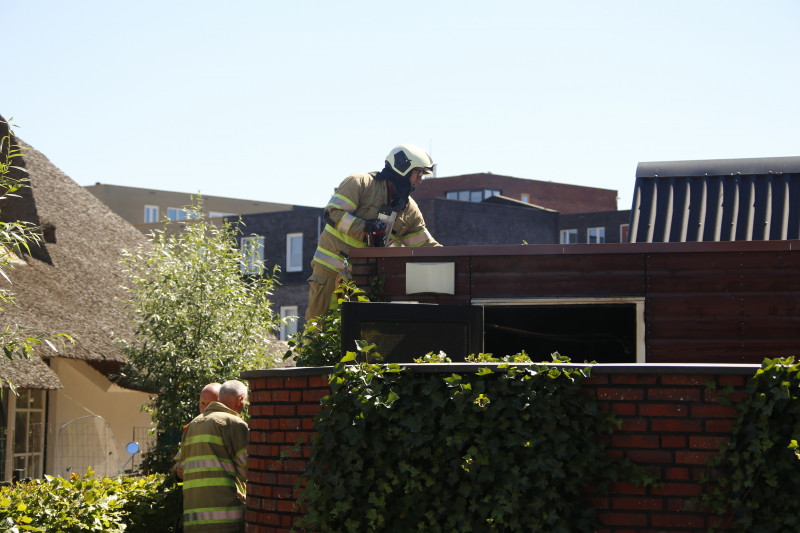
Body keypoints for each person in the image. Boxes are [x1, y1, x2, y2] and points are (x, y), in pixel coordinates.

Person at [307, 143, 441, 320]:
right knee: (319, 328)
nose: (420, 180)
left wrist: (457, 259)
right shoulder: (360, 183)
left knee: (358, 332)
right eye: (419, 173)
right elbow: (333, 213)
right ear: (403, 167)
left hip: (366, 282)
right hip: (329, 274)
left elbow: (425, 247)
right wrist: (366, 228)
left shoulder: (409, 210)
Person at [181, 380, 249, 533]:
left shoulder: (192, 425)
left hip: (193, 520)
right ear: (240, 399)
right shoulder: (233, 423)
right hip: (227, 520)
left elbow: (183, 468)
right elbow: (254, 468)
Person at [175, 382, 221, 479]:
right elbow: (179, 461)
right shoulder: (188, 428)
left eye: (210, 404)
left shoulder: (229, 427)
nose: (205, 408)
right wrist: (178, 470)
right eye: (202, 403)